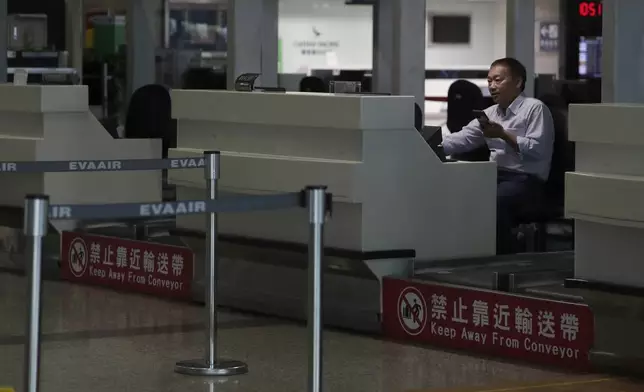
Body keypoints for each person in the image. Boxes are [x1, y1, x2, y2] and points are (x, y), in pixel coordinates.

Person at [441, 58, 555, 254]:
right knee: (456, 192)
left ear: (518, 82)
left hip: (527, 180)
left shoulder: (534, 109)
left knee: (494, 201)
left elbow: (537, 150)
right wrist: (430, 144)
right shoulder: (490, 113)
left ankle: (502, 255)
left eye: (498, 80)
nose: (492, 86)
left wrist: (503, 135)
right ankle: (464, 251)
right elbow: (463, 139)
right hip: (494, 176)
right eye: (489, 81)